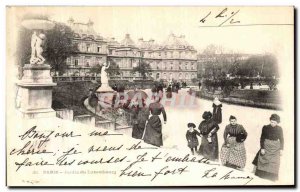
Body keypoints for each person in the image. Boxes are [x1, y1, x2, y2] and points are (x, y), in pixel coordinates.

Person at [252, 114, 284, 181]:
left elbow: (281, 139)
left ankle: (271, 176)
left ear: (277, 122)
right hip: (266, 145)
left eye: (275, 122)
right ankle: (260, 173)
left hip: (275, 147)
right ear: (270, 120)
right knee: (262, 158)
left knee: (274, 162)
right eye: (271, 122)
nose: (273, 123)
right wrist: (262, 148)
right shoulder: (265, 127)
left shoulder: (279, 129)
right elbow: (262, 138)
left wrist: (281, 149)